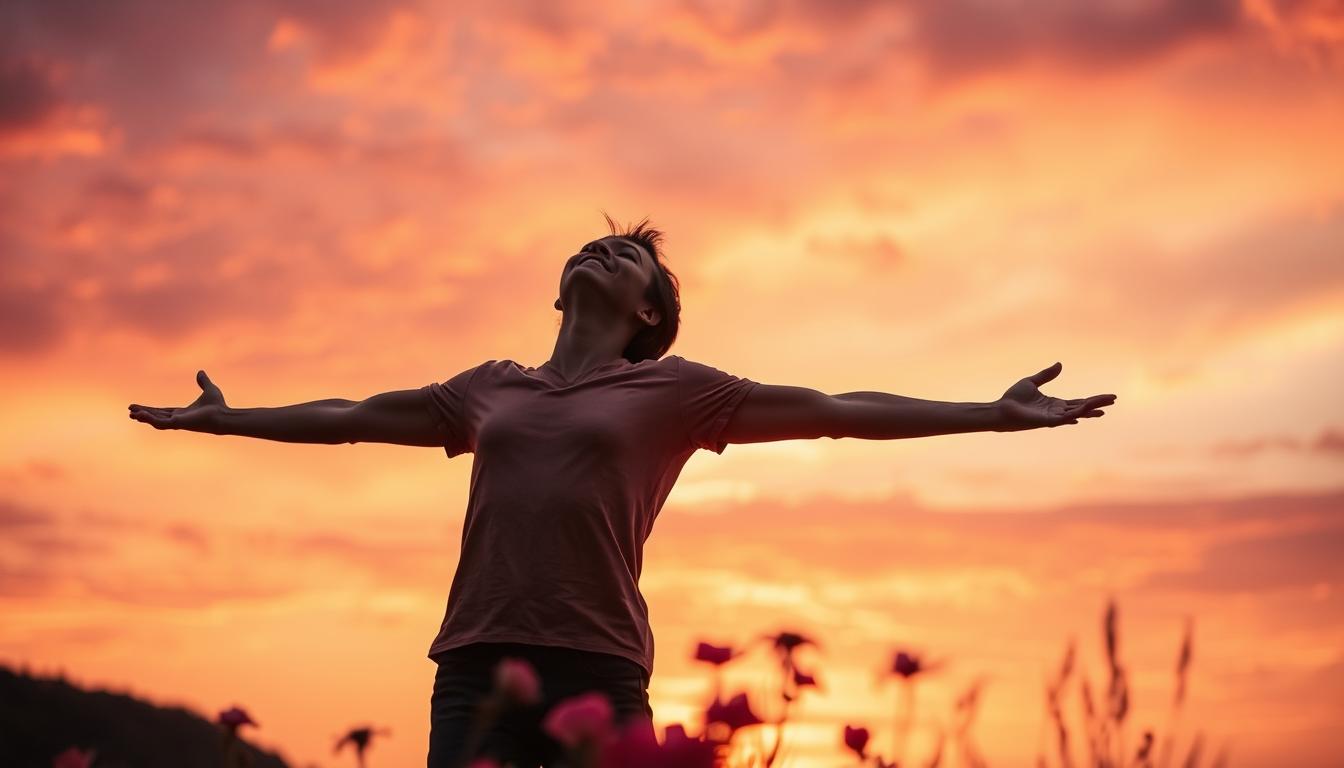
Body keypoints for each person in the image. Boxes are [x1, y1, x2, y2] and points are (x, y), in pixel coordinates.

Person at [128, 213, 1117, 767]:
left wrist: (989, 412)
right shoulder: (487, 390)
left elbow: (831, 406)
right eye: (591, 247)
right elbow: (348, 417)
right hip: (475, 665)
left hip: (598, 669)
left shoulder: (674, 394)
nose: (603, 250)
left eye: (629, 254)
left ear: (651, 310)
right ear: (560, 290)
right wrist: (225, 417)